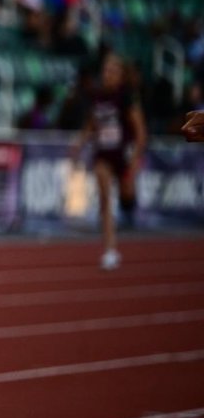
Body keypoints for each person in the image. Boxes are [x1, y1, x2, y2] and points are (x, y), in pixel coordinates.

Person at [70, 54, 146, 271]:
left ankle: (129, 204)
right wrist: (80, 142)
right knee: (104, 197)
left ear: (121, 76)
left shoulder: (127, 98)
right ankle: (110, 249)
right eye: (106, 70)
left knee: (126, 198)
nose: (108, 74)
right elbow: (92, 124)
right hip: (103, 154)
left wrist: (133, 162)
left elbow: (141, 133)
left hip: (123, 154)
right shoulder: (97, 96)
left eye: (113, 71)